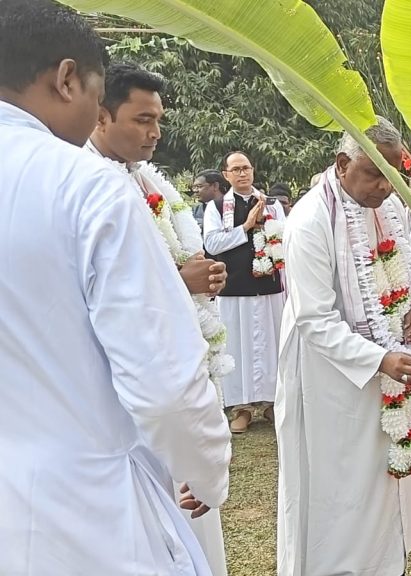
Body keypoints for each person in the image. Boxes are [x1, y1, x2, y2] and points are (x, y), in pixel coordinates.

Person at [0, 2, 232, 574]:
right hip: (85, 509)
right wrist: (207, 471)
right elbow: (165, 384)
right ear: (68, 79)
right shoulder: (87, 186)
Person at [85, 61, 232, 576]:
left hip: (181, 367)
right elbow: (116, 288)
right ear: (101, 116)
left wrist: (200, 279)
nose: (155, 133)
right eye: (142, 119)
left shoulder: (145, 178)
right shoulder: (90, 183)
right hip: (136, 391)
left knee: (195, 523)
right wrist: (180, 280)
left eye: (159, 120)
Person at [277, 117, 411, 576]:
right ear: (342, 163)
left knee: (378, 485)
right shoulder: (309, 220)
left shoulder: (387, 210)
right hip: (329, 382)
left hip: (382, 374)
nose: (387, 186)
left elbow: (404, 274)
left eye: (395, 174)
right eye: (375, 173)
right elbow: (313, 318)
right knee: (339, 490)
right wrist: (381, 358)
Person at [205, 151, 288, 433]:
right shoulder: (217, 207)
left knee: (271, 345)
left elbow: (284, 238)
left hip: (269, 287)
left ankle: (271, 404)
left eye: (247, 168)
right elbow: (213, 244)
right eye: (236, 169)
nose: (242, 174)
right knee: (236, 347)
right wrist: (246, 227)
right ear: (226, 175)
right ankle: (240, 408)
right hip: (234, 287)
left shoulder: (272, 204)